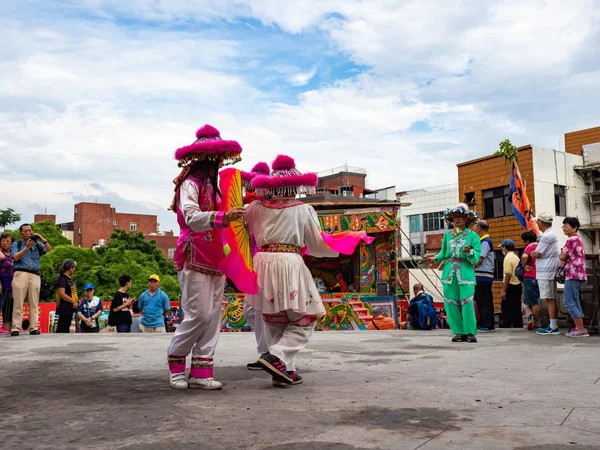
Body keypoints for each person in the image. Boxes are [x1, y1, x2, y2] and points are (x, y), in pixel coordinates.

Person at [245, 154, 359, 387]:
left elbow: (242, 234)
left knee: (275, 319)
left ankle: (285, 371)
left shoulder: (254, 208)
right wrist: (345, 240)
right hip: (289, 261)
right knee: (305, 318)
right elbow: (316, 243)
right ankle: (275, 355)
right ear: (294, 185)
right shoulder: (303, 209)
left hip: (262, 262)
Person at [167, 124, 246, 390]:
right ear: (202, 157)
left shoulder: (218, 187)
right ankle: (176, 358)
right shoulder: (189, 184)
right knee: (198, 314)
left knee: (213, 316)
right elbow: (191, 217)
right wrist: (223, 217)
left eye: (220, 156)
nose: (218, 161)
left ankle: (202, 372)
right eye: (215, 156)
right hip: (194, 252)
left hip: (216, 255)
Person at [427, 204, 481, 343]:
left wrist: (468, 251)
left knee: (467, 302)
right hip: (449, 272)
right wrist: (436, 258)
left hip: (465, 272)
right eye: (455, 217)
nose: (457, 219)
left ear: (466, 219)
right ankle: (458, 332)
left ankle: (470, 332)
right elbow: (444, 253)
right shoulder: (447, 235)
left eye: (460, 216)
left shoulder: (473, 236)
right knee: (450, 303)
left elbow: (476, 255)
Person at [241, 162, 270, 370]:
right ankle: (268, 352)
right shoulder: (251, 207)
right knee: (251, 310)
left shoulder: (268, 207)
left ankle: (268, 354)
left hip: (267, 263)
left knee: (260, 310)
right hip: (254, 264)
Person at [10, 223, 52, 335]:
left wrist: (42, 239)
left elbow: (48, 249)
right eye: (25, 231)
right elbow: (15, 257)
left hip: (34, 274)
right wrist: (26, 248)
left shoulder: (37, 244)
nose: (28, 233)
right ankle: (16, 327)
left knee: (34, 302)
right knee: (18, 302)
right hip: (20, 273)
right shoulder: (17, 244)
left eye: (30, 231)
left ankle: (33, 327)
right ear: (21, 233)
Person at [532, 213, 561, 335]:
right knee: (551, 298)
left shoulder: (546, 236)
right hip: (548, 270)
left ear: (541, 223)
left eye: (537, 222)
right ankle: (553, 325)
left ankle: (553, 326)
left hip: (546, 271)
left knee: (550, 299)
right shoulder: (551, 234)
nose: (537, 224)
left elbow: (537, 253)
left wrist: (534, 253)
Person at [560, 217, 589, 338]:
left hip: (572, 273)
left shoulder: (571, 239)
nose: (564, 228)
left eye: (566, 226)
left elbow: (562, 256)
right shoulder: (578, 239)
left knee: (568, 301)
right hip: (579, 273)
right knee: (574, 301)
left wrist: (562, 256)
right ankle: (579, 327)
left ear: (574, 227)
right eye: (563, 226)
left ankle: (581, 329)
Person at [473, 220, 495, 332]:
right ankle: (484, 323)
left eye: (475, 226)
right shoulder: (481, 241)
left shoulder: (485, 241)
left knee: (484, 300)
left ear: (479, 228)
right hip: (481, 275)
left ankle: (487, 324)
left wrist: (470, 267)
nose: (474, 228)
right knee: (481, 300)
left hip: (483, 275)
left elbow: (480, 259)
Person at [499, 239, 523, 328]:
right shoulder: (516, 257)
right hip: (518, 285)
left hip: (511, 286)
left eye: (502, 247)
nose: (502, 249)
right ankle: (517, 324)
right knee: (516, 307)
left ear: (505, 247)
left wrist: (504, 290)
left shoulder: (507, 258)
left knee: (506, 306)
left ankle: (506, 324)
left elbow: (508, 275)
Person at [521, 230, 540, 330]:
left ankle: (532, 318)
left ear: (527, 241)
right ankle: (536, 322)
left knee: (529, 302)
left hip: (529, 276)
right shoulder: (540, 246)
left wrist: (524, 266)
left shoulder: (530, 247)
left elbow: (524, 256)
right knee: (536, 300)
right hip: (539, 276)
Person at [55, 259, 78, 333]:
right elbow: (62, 293)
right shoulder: (62, 278)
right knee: (62, 329)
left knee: (67, 327)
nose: (74, 269)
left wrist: (77, 300)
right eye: (74, 267)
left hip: (69, 308)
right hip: (64, 307)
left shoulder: (68, 279)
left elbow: (70, 293)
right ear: (70, 268)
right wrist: (73, 301)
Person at [0, 233, 15, 334]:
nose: (5, 243)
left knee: (9, 307)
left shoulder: (14, 254)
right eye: (2, 241)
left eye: (8, 241)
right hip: (2, 283)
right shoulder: (1, 253)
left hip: (12, 285)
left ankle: (7, 328)